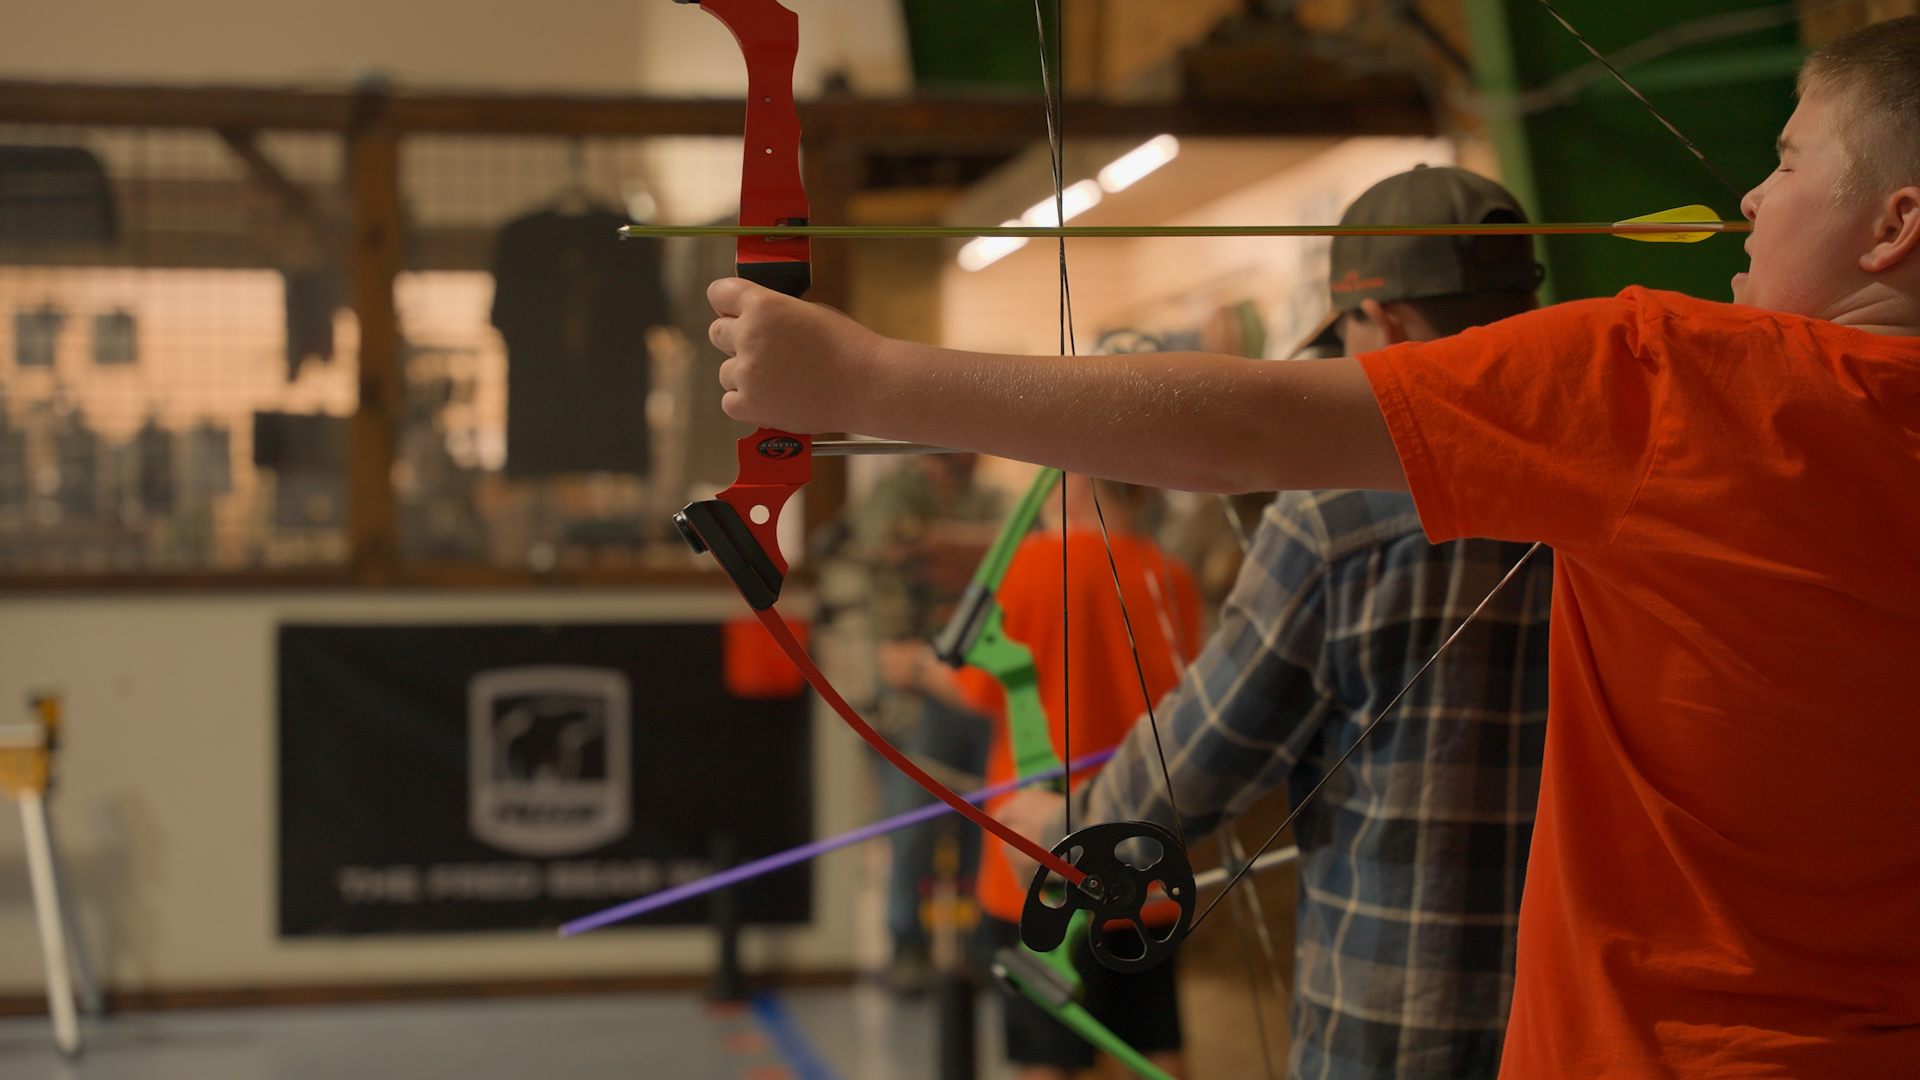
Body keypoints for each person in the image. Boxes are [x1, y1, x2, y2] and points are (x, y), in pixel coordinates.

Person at [702, 17, 1920, 1075]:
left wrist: (859, 378)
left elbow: (1243, 436)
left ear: (1894, 223)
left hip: (1536, 1033)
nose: (1754, 195)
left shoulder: (1666, 388)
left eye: (1787, 158)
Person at [992, 165, 1556, 1080]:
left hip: (1395, 1021)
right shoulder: (1622, 480)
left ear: (1391, 325)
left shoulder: (1337, 517)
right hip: (1589, 1023)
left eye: (1347, 336)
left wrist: (1068, 837)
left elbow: (1199, 758)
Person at [953, 475, 1202, 1080]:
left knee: (1046, 1057)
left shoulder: (1030, 566)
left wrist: (910, 664)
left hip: (1039, 866)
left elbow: (978, 687)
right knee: (1152, 1044)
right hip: (1143, 861)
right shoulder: (1169, 574)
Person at [848, 453, 1004, 993]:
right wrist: (966, 552)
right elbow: (889, 543)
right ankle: (907, 944)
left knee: (983, 819)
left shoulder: (988, 495)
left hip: (977, 674)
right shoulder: (897, 491)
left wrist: (937, 546)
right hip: (911, 682)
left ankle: (980, 945)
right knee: (912, 821)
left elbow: (1015, 550)